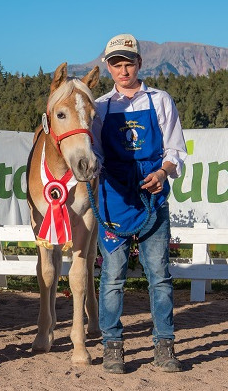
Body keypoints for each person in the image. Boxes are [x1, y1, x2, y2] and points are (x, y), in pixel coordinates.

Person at [92, 33, 186, 374]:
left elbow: (175, 152)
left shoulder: (161, 101)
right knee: (112, 276)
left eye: (128, 63)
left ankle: (164, 344)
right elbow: (95, 155)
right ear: (108, 67)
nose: (122, 69)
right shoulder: (100, 107)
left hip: (152, 198)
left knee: (159, 275)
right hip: (114, 199)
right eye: (115, 64)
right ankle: (112, 346)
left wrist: (162, 172)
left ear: (139, 63)